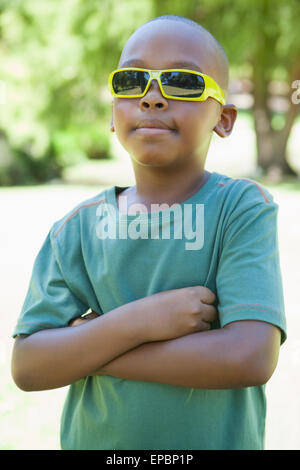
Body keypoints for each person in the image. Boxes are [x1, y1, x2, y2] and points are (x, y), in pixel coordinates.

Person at [11, 15, 286, 450]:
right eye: (132, 80)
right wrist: (141, 321)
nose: (152, 98)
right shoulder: (76, 229)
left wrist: (90, 350)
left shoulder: (240, 209)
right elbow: (28, 365)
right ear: (112, 114)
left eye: (182, 82)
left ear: (225, 119)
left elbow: (249, 355)